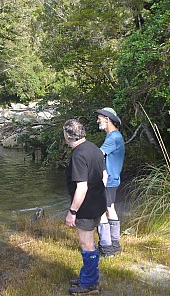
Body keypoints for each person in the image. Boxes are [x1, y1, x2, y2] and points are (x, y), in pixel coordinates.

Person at [63, 119, 107, 295]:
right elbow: (104, 176)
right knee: (90, 243)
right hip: (98, 202)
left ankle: (89, 283)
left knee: (86, 244)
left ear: (68, 135)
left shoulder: (78, 155)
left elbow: (82, 187)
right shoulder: (94, 148)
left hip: (86, 207)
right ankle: (87, 276)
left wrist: (72, 212)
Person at [95, 107, 125, 257]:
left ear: (107, 119)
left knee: (101, 210)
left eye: (99, 118)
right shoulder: (115, 136)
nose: (97, 120)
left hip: (108, 180)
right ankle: (115, 245)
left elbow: (98, 156)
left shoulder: (113, 138)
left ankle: (106, 248)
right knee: (110, 208)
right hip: (114, 179)